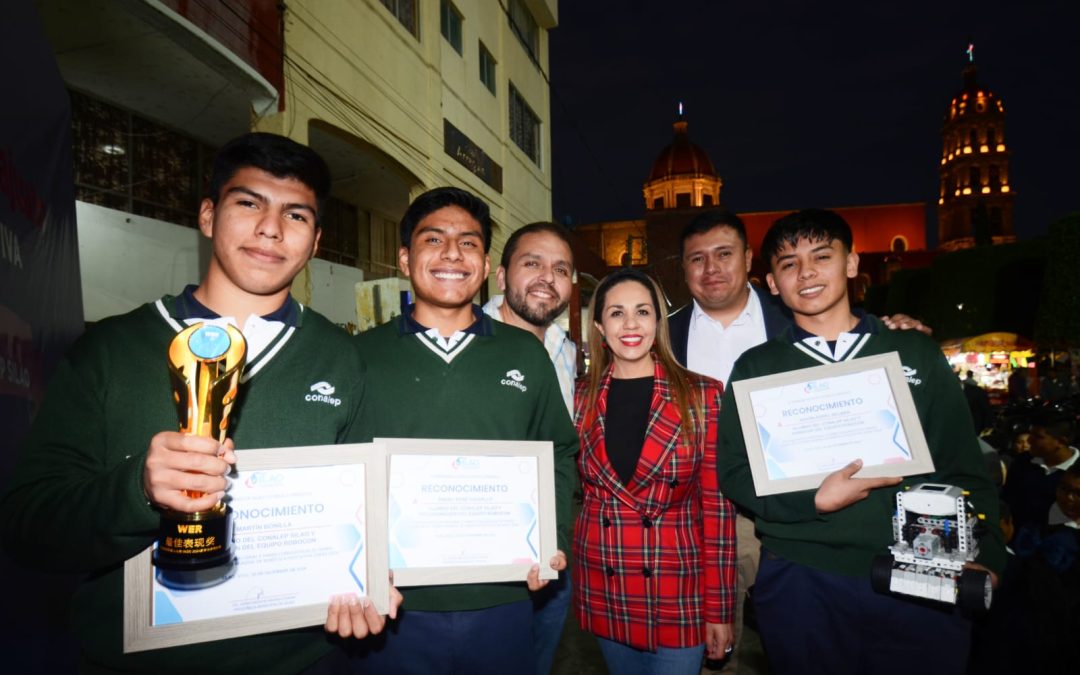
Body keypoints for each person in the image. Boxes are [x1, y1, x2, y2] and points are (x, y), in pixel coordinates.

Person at [0, 132, 396, 673]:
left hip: (299, 661)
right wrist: (137, 489)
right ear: (208, 216)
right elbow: (27, 526)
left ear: (316, 241)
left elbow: (366, 512)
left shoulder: (342, 359)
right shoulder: (111, 350)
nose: (271, 229)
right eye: (248, 203)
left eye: (296, 215)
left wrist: (369, 579)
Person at [716, 209, 1004, 675]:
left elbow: (963, 464)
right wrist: (813, 499)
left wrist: (988, 555)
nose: (805, 272)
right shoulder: (757, 367)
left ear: (851, 264)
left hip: (921, 571)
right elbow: (733, 471)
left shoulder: (913, 351)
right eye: (788, 264)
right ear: (771, 282)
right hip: (801, 574)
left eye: (821, 256)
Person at [666, 209, 930, 672]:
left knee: (799, 636)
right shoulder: (663, 334)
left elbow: (852, 342)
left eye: (724, 254)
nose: (711, 268)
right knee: (710, 648)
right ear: (683, 269)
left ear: (751, 260)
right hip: (695, 511)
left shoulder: (796, 315)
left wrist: (894, 332)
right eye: (697, 259)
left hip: (795, 515)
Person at [347, 187, 578, 674]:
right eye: (434, 239)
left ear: (485, 262)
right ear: (405, 258)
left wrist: (547, 539)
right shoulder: (359, 357)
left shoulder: (523, 354)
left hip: (505, 595)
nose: (453, 253)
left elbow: (558, 450)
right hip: (392, 602)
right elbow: (339, 467)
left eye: (469, 243)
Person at [573, 268, 736, 675]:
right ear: (598, 325)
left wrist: (719, 609)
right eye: (616, 313)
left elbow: (717, 514)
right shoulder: (577, 397)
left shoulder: (702, 394)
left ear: (657, 322)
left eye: (643, 311)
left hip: (677, 587)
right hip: (606, 581)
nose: (631, 324)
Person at [481, 221, 576, 674]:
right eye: (532, 263)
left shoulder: (565, 348)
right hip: (479, 552)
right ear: (500, 276)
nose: (547, 277)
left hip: (554, 550)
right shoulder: (467, 341)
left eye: (560, 268)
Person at [1002, 409, 1078, 534]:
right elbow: (1008, 501)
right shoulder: (1023, 462)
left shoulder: (1076, 471)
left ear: (1061, 442)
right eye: (1030, 433)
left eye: (1038, 436)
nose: (1030, 440)